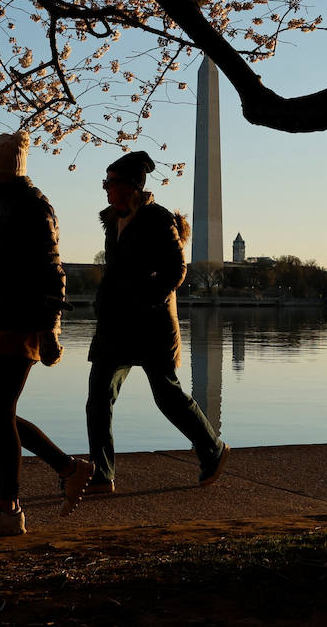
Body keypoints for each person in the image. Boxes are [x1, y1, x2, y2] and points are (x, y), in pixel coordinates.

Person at [0, 130, 95, 538]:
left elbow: (52, 271)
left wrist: (49, 330)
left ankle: (12, 508)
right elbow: (2, 281)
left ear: (0, 174)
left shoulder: (31, 208)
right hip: (10, 320)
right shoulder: (13, 205)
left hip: (24, 323)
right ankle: (66, 469)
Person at [85, 150, 230, 495]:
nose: (105, 188)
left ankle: (213, 449)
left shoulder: (158, 219)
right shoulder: (113, 222)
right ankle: (102, 475)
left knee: (166, 394)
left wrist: (145, 298)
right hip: (115, 326)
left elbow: (177, 271)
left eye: (111, 182)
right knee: (98, 398)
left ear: (130, 186)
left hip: (151, 325)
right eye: (105, 182)